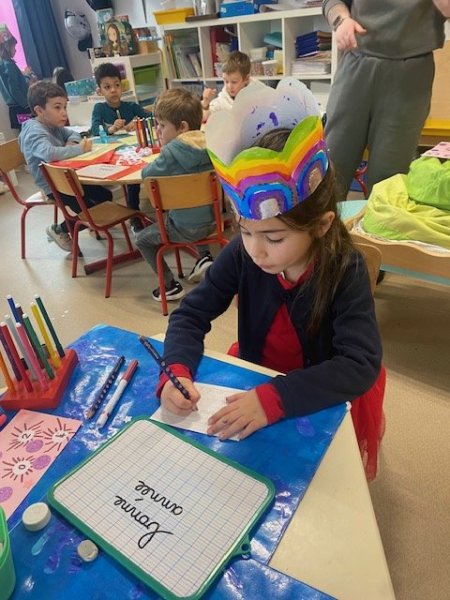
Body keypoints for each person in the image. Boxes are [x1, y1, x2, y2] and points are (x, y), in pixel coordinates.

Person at [156, 78, 386, 480]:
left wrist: (275, 399)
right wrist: (176, 370)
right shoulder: (242, 254)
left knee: (318, 478)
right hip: (260, 372)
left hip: (316, 388)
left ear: (321, 226)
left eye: (274, 238)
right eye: (245, 231)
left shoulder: (344, 267)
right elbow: (190, 315)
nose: (255, 250)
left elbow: (359, 364)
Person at [322, 0, 450, 198]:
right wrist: (342, 21)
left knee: (388, 178)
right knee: (330, 168)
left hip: (411, 70)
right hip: (357, 60)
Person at [136, 88, 216, 302]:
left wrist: (163, 153)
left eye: (162, 126)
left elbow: (146, 176)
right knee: (194, 205)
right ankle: (204, 256)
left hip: (183, 228)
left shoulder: (171, 153)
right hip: (213, 223)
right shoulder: (211, 143)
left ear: (182, 127)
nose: (159, 131)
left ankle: (169, 285)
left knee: (142, 239)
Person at [19, 81, 112, 252]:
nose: (64, 112)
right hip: (53, 186)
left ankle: (88, 224)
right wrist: (78, 149)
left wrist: (70, 144)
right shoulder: (34, 131)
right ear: (39, 111)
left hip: (68, 178)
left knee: (106, 196)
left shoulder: (53, 125)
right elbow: (48, 153)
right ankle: (59, 230)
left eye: (64, 107)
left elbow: (75, 133)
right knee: (90, 213)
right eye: (57, 107)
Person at [92, 62, 150, 233]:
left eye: (117, 85)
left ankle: (134, 211)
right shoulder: (99, 109)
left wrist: (138, 122)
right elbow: (94, 130)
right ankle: (132, 214)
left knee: (133, 177)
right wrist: (111, 129)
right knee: (128, 178)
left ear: (122, 86)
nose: (113, 90)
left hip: (133, 153)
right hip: (113, 155)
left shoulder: (131, 107)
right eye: (107, 87)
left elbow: (152, 117)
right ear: (100, 91)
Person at [201, 50, 266, 121]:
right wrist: (205, 104)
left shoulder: (259, 92)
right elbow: (204, 118)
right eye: (226, 81)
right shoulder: (223, 98)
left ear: (246, 79)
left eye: (234, 82)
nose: (229, 86)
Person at [0, 24, 35, 130]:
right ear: (6, 47)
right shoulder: (9, 65)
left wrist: (25, 75)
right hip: (21, 106)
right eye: (13, 47)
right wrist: (26, 105)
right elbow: (14, 88)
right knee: (30, 131)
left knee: (25, 133)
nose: (15, 50)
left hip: (14, 108)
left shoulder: (2, 65)